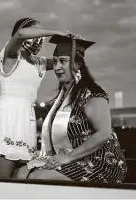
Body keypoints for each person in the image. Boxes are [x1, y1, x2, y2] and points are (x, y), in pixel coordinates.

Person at [16, 33, 127, 183]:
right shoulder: (63, 96)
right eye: (55, 62)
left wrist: (68, 157)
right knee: (20, 173)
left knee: (38, 178)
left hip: (100, 162)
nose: (57, 68)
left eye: (63, 61)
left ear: (77, 64)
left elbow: (104, 134)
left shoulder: (93, 94)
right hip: (72, 159)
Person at [0, 18, 67, 178]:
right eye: (36, 34)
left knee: (21, 178)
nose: (39, 40)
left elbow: (65, 61)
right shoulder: (11, 55)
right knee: (3, 180)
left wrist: (72, 42)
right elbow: (21, 33)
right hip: (9, 117)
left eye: (41, 37)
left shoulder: (39, 62)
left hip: (27, 119)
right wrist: (56, 32)